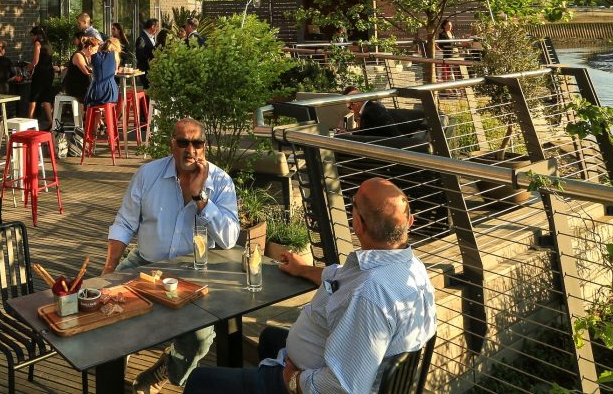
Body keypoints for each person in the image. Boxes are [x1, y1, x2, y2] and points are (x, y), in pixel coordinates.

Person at [183, 177, 436, 394]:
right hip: (328, 359)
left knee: (200, 381)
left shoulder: (369, 295)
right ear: (409, 222)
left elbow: (342, 387)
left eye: (353, 206)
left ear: (358, 223)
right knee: (269, 337)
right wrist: (302, 269)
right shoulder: (412, 269)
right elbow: (341, 278)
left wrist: (292, 381)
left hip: (308, 382)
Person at [103, 118, 240, 394]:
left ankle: (167, 367)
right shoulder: (148, 174)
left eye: (197, 143)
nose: (191, 150)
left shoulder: (220, 181)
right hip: (145, 262)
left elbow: (228, 239)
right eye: (183, 143)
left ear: (205, 146)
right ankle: (116, 361)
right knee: (105, 305)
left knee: (200, 338)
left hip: (193, 272)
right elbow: (125, 223)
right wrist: (108, 269)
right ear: (172, 146)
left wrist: (200, 195)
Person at [87, 36, 120, 107]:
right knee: (120, 99)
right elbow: (115, 72)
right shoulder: (115, 56)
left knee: (89, 101)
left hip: (96, 93)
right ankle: (111, 117)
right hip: (111, 92)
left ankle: (96, 117)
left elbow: (91, 69)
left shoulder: (94, 57)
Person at [62, 36, 96, 101]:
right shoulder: (78, 55)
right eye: (95, 50)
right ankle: (84, 110)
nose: (95, 53)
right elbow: (86, 72)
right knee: (89, 93)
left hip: (81, 85)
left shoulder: (86, 57)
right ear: (89, 48)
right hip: (74, 87)